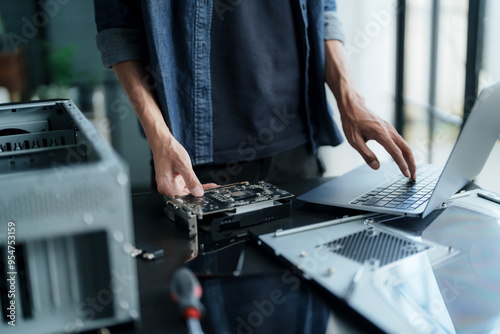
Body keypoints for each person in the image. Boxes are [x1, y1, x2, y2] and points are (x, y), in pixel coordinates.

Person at [94, 0, 416, 198]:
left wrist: (349, 98)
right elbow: (119, 32)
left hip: (296, 143)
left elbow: (324, 9)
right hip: (196, 162)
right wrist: (159, 137)